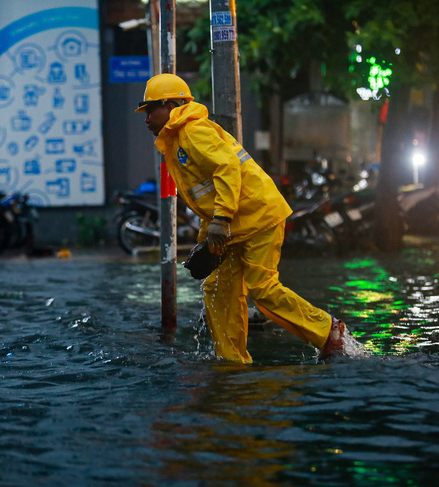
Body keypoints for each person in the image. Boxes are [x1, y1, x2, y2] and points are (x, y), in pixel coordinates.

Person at [136, 73, 346, 363]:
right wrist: (208, 239)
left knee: (262, 287)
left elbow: (227, 169)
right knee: (218, 288)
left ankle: (328, 330)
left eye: (150, 110)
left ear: (171, 105)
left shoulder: (192, 132)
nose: (146, 118)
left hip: (258, 215)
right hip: (237, 223)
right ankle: (232, 361)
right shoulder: (178, 139)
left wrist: (220, 221)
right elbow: (206, 198)